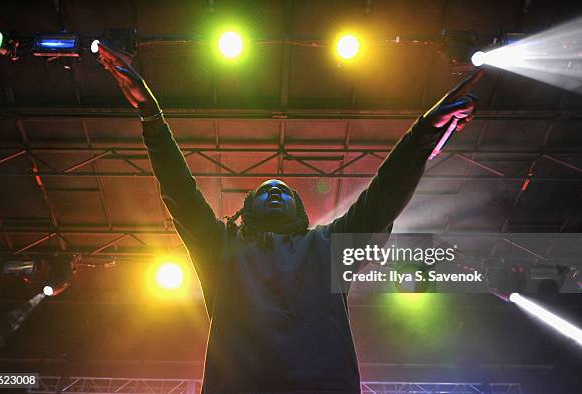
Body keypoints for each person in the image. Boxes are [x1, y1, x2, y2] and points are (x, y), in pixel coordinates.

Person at [97, 42, 481, 393]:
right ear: (246, 212)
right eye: (265, 190)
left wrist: (423, 134)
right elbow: (180, 192)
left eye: (284, 190)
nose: (275, 191)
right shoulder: (222, 247)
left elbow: (382, 199)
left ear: (301, 212)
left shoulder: (327, 246)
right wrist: (152, 116)